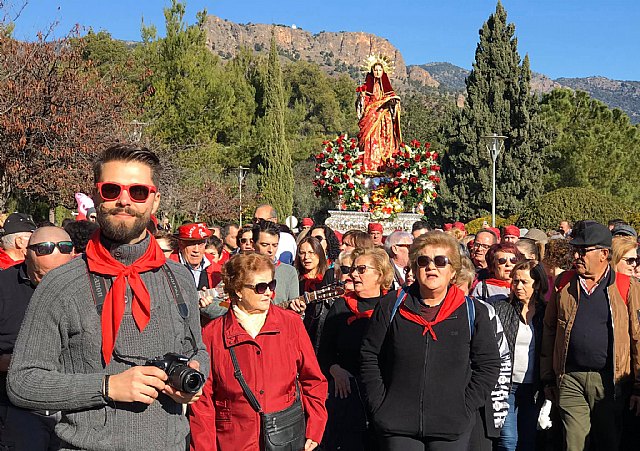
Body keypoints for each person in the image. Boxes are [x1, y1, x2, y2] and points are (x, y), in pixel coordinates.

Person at [7, 144, 209, 450]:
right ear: (98, 195)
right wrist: (107, 386)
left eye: (138, 191)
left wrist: (195, 376)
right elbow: (22, 382)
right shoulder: (61, 284)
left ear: (154, 201)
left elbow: (198, 350)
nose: (124, 200)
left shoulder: (178, 278)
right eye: (112, 189)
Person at [360, 231, 501, 450]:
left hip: (451, 426)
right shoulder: (391, 305)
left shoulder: (473, 312)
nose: (431, 267)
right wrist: (380, 405)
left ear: (453, 269)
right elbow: (369, 356)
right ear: (415, 268)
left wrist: (465, 406)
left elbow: (488, 365)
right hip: (397, 424)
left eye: (440, 261)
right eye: (423, 261)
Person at [189, 252, 328, 451]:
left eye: (272, 285)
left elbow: (313, 379)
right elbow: (203, 403)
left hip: (284, 438)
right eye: (260, 287)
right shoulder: (212, 334)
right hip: (234, 440)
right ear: (237, 290)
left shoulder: (290, 324)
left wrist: (315, 425)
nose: (268, 293)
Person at [541, 220, 640, 450]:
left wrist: (637, 386)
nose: (576, 256)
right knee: (573, 443)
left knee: (608, 441)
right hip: (571, 378)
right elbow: (549, 330)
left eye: (583, 251)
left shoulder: (627, 286)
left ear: (604, 254)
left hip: (609, 381)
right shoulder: (564, 283)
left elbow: (637, 337)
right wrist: (548, 377)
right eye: (575, 250)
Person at [0, 227, 75, 450]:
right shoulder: (4, 286)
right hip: (17, 411)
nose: (50, 286)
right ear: (26, 255)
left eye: (59, 277)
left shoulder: (85, 284)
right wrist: (21, 363)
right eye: (42, 276)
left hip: (72, 408)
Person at [318, 247, 394, 450]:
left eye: (361, 269)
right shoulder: (341, 307)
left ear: (380, 273)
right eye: (352, 269)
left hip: (384, 396)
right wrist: (335, 369)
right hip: (347, 395)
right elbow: (323, 351)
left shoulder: (392, 306)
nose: (353, 274)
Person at [493, 260, 548, 451]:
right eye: (515, 281)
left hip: (534, 387)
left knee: (528, 440)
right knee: (508, 440)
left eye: (524, 282)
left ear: (538, 284)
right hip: (507, 385)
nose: (518, 286)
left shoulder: (547, 312)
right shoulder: (501, 309)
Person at [356, 59, 401, 174]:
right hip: (371, 116)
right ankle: (370, 165)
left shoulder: (388, 90)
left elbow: (394, 102)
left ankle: (384, 166)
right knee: (370, 138)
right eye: (375, 70)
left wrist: (392, 102)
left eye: (380, 70)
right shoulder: (367, 89)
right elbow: (363, 104)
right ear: (372, 71)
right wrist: (361, 97)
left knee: (385, 139)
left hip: (385, 118)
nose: (377, 72)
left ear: (383, 71)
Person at [294, 236, 336, 352]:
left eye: (311, 253)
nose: (306, 257)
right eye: (302, 253)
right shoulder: (296, 280)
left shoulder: (328, 278)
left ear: (319, 254)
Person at [253, 219, 300, 305]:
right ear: (253, 244)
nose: (270, 250)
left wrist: (298, 310)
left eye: (275, 245)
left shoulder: (289, 271)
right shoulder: (241, 269)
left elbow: (293, 307)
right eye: (265, 245)